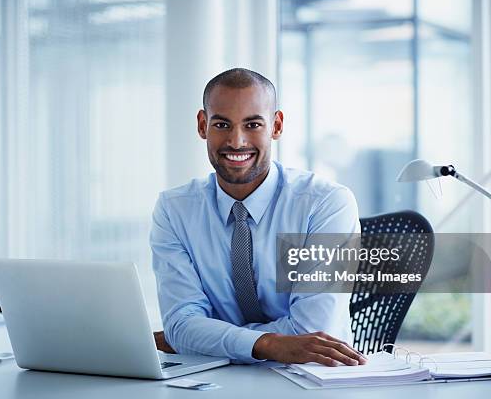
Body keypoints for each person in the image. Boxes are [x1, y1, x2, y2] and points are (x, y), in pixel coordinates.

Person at [150, 68, 366, 366]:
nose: (237, 141)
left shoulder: (326, 203)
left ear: (276, 126)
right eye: (222, 124)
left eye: (252, 124)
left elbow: (311, 332)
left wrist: (202, 338)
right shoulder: (175, 210)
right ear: (203, 126)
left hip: (310, 379)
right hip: (213, 381)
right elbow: (182, 327)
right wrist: (267, 344)